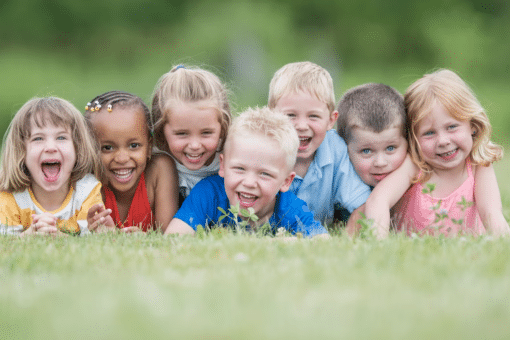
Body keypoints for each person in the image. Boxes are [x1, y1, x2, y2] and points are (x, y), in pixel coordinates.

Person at [365, 69, 510, 238]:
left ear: (472, 125)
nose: (443, 141)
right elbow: (378, 200)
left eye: (452, 127)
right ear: (413, 137)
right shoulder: (414, 165)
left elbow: (492, 215)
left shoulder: (478, 164)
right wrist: (379, 242)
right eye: (429, 133)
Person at [164, 106, 329, 238]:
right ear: (223, 166)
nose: (249, 183)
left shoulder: (289, 208)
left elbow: (322, 242)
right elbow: (174, 238)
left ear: (286, 181)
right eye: (239, 169)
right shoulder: (209, 194)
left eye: (265, 174)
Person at [268, 61, 371, 225]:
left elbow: (362, 204)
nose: (301, 126)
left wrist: (348, 242)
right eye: (290, 115)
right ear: (272, 115)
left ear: (331, 120)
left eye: (313, 116)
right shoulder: (262, 148)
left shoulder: (335, 149)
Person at [0, 97, 107, 236]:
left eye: (61, 137)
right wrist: (28, 236)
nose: (50, 147)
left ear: (77, 148)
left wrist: (57, 235)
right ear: (21, 151)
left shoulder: (86, 191)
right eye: (38, 138)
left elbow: (92, 242)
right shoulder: (11, 196)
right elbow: (6, 243)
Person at [85, 91, 179, 232]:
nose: (122, 159)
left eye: (134, 146)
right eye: (107, 148)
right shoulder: (89, 181)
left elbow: (169, 235)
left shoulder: (159, 169)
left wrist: (142, 238)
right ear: (90, 149)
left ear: (149, 147)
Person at [151, 65, 232, 205]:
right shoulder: (157, 164)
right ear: (161, 130)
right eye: (182, 134)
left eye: (206, 133)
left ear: (222, 127)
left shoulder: (232, 159)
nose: (194, 145)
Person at [337, 83, 408, 188]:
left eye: (390, 148)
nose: (380, 163)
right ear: (344, 147)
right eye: (366, 151)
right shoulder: (336, 191)